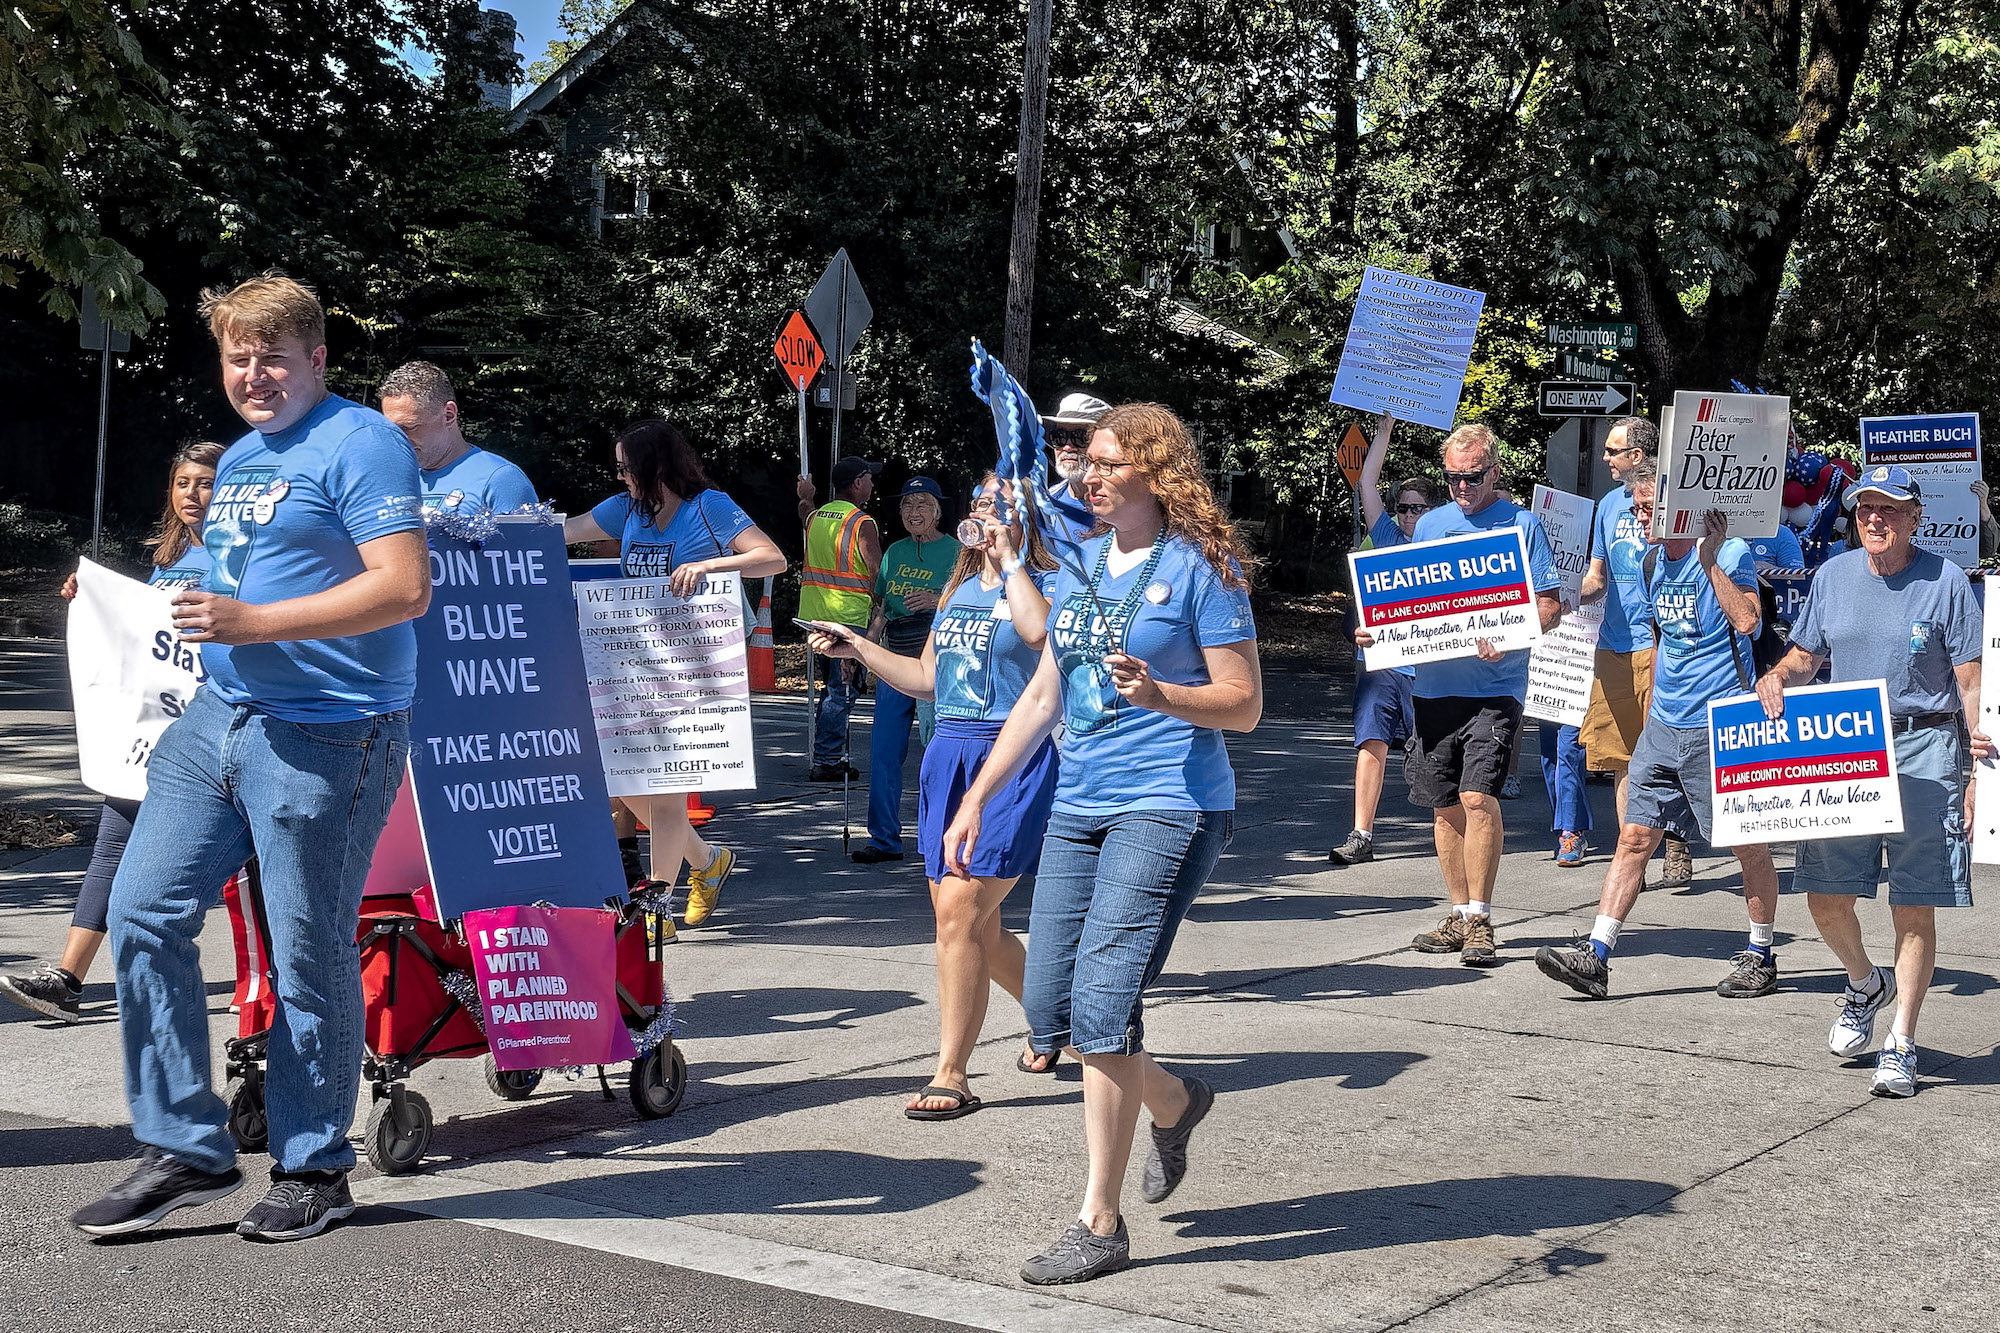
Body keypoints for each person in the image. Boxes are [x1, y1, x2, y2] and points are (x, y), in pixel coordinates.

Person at [69, 274, 430, 1242]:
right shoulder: (240, 461)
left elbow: (403, 588)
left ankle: (315, 1165)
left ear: (318, 357)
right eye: (238, 355)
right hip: (220, 718)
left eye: (274, 354)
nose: (254, 373)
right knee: (143, 909)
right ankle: (187, 1144)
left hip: (329, 730)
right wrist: (112, 595)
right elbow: (225, 579)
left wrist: (257, 623)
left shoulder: (364, 442)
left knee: (307, 951)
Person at [941, 403, 1262, 1284]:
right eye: (1089, 460)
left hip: (1170, 804)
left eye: (1110, 461)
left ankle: (1100, 1219)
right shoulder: (1078, 561)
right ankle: (1175, 1099)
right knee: (1052, 1005)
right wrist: (977, 796)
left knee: (1102, 1003)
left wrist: (1163, 694)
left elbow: (1245, 703)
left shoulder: (1206, 568)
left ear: (1155, 472)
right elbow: (1044, 693)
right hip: (1079, 806)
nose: (1091, 472)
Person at [808, 476, 1061, 1116]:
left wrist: (1010, 563)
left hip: (1009, 756)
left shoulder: (1049, 583)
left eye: (997, 508)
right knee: (977, 926)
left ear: (1025, 520)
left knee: (958, 917)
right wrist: (859, 647)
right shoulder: (955, 586)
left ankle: (952, 1071)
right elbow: (925, 677)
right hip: (945, 754)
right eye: (978, 504)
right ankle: (1062, 1019)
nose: (982, 515)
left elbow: (1038, 636)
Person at [1755, 465, 1989, 1097]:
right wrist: (1777, 677)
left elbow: (1970, 681)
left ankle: (1902, 1043)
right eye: (1864, 511)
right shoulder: (1832, 576)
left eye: (1889, 510)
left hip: (1924, 745)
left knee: (1912, 905)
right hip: (1845, 745)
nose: (1874, 520)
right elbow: (1806, 656)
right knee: (1825, 897)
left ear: (1915, 518)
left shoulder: (1946, 582)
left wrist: (1976, 770)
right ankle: (1864, 982)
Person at [0, 442, 223, 1023]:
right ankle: (66, 978)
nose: (192, 495)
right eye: (182, 483)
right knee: (113, 841)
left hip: (223, 731)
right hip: (157, 731)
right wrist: (93, 598)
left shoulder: (245, 554)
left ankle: (286, 984)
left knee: (253, 870)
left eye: (205, 482)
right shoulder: (169, 557)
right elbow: (144, 629)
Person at [1535, 490, 1783, 1000]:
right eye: (1637, 509)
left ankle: (1760, 953)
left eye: (1648, 509)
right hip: (1664, 727)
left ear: (1683, 509)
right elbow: (1662, 638)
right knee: (1633, 838)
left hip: (1719, 728)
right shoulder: (1649, 561)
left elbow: (1748, 621)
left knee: (1746, 845)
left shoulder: (1730, 552)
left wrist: (1710, 560)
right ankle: (1597, 954)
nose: (1638, 517)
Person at [564, 421, 786, 927]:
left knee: (665, 787)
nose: (620, 477)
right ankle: (708, 861)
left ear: (655, 466)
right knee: (619, 782)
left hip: (694, 667)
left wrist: (711, 566)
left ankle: (657, 902)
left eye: (626, 467)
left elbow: (772, 558)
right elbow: (562, 531)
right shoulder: (626, 510)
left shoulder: (710, 506)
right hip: (632, 666)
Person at [1362, 424, 1562, 967]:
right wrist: (1376, 630)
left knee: (1478, 798)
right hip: (1432, 689)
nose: (1462, 487)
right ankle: (1456, 912)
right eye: (1452, 478)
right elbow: (1401, 600)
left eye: (1472, 477)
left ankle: (1480, 917)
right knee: (1444, 804)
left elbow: (1550, 606)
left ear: (1494, 471)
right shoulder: (1428, 525)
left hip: (1495, 691)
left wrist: (1511, 635)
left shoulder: (1522, 524)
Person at [1580, 420, 1693, 884]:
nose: (1606, 458)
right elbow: (1596, 577)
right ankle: (1632, 857)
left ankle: (1677, 846)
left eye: (1613, 450)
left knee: (1668, 755)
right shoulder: (1607, 505)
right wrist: (1554, 596)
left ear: (1640, 454)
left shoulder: (1674, 501)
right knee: (1622, 756)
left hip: (1664, 645)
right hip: (1613, 646)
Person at [1329, 411, 1433, 865]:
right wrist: (1385, 432)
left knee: (1432, 756)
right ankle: (1361, 834)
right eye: (1403, 507)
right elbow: (1367, 486)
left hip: (1430, 669)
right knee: (1371, 743)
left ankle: (1448, 835)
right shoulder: (1388, 538)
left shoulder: (1446, 542)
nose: (1407, 515)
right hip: (1385, 664)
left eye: (1417, 508)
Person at [853, 477, 962, 864]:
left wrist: (937, 598)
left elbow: (980, 595)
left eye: (921, 505)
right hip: (894, 653)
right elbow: (881, 608)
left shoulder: (959, 550)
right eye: (907, 506)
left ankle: (943, 836)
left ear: (937, 511)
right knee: (883, 752)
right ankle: (884, 840)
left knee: (937, 749)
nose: (913, 513)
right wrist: (863, 650)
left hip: (938, 656)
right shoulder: (895, 552)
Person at [797, 457, 884, 780]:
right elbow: (877, 571)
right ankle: (828, 759)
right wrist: (880, 609)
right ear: (858, 482)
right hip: (847, 618)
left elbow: (805, 513)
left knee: (831, 688)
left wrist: (806, 495)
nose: (873, 485)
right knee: (843, 690)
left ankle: (828, 754)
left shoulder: (817, 516)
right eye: (869, 479)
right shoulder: (861, 523)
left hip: (814, 615)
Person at [376, 361, 538, 514]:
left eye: (410, 427)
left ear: (448, 415)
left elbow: (527, 543)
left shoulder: (500, 480)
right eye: (393, 430)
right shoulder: (393, 479)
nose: (400, 439)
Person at [1037, 391, 1113, 553]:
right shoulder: (1044, 505)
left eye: (1081, 437)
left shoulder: (1123, 506)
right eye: (1059, 436)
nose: (1067, 447)